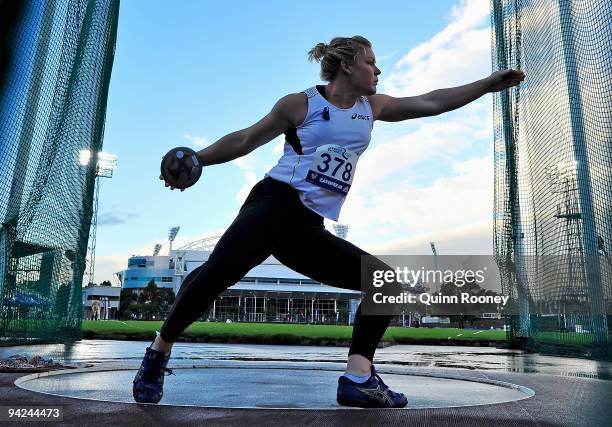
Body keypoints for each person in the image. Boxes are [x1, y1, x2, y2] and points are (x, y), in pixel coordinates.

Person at [132, 35, 524, 408]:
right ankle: (158, 352)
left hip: (307, 226)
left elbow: (431, 101)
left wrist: (487, 84)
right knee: (216, 276)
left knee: (383, 282)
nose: (378, 71)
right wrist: (198, 158)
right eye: (371, 62)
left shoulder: (373, 108)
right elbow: (247, 139)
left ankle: (358, 378)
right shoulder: (299, 104)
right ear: (348, 66)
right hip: (273, 205)